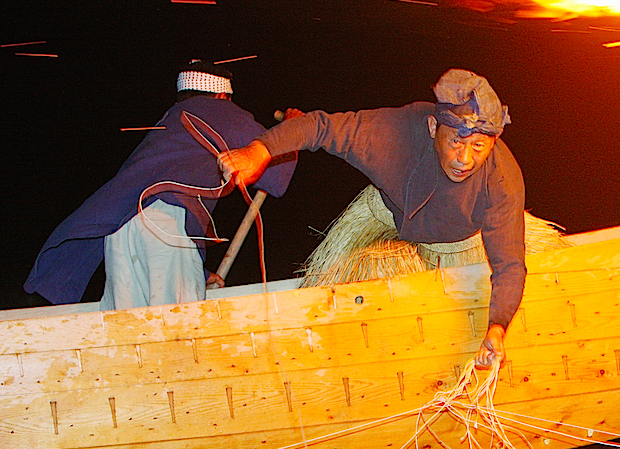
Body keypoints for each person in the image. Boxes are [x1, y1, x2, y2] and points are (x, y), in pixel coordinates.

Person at [216, 69, 525, 370]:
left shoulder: (502, 181)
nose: (465, 159)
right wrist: (260, 150)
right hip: (386, 217)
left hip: (457, 245)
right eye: (456, 142)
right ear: (433, 127)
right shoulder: (392, 133)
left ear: (493, 142)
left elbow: (509, 264)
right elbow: (320, 127)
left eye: (478, 146)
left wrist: (497, 327)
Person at [24, 60, 296, 309]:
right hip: (162, 223)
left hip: (121, 231)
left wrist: (199, 275)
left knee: (130, 327)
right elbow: (277, 176)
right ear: (222, 95)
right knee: (179, 329)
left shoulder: (169, 124)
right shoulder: (218, 110)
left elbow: (147, 230)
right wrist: (292, 129)